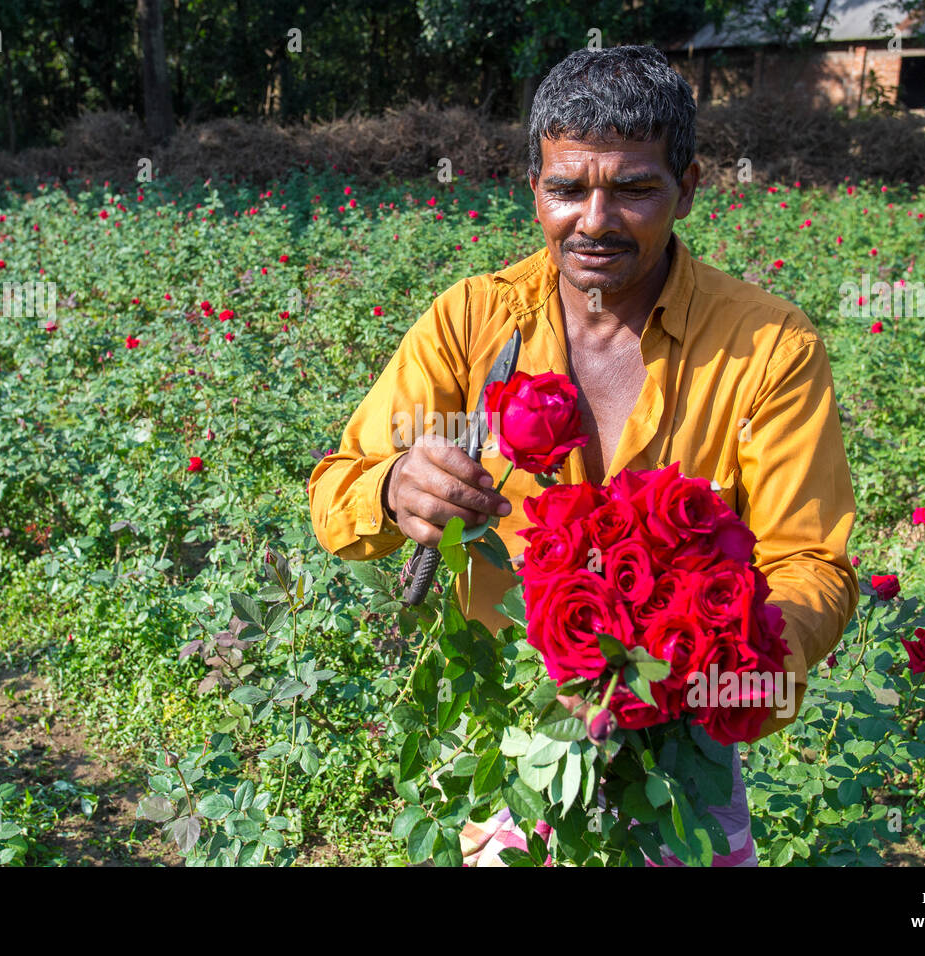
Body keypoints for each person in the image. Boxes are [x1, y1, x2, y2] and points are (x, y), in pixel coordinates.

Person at [307, 44, 859, 865]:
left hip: (680, 749)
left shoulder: (765, 345)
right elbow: (337, 490)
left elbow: (811, 560)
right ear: (534, 188)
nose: (594, 221)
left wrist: (720, 655)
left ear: (690, 186)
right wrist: (394, 489)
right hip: (514, 732)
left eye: (634, 189)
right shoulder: (472, 324)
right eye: (567, 189)